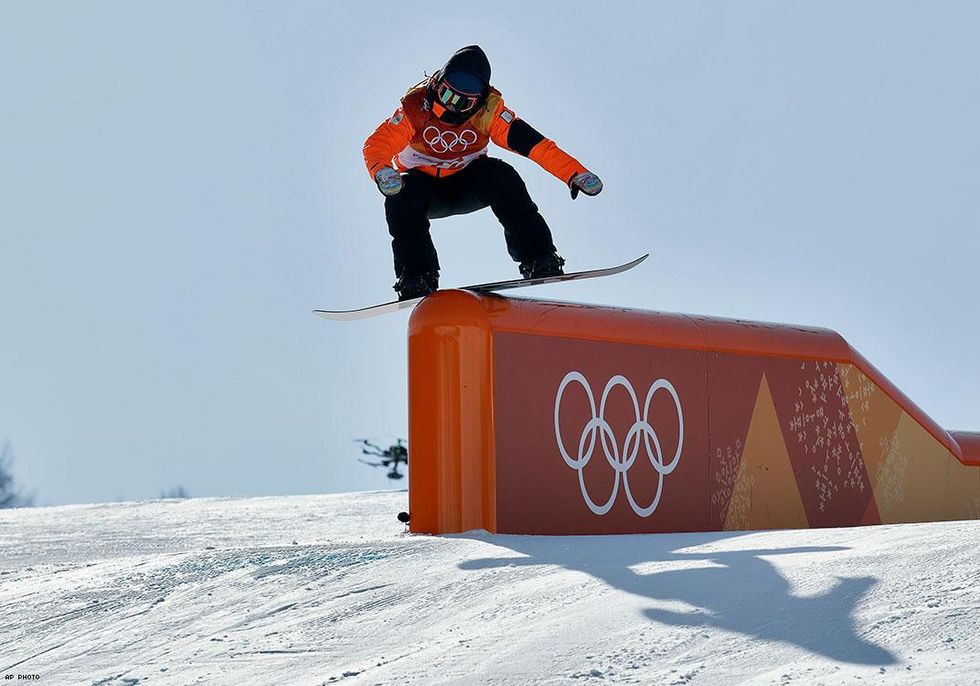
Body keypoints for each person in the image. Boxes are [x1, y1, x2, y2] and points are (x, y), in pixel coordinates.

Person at [363, 45, 604, 300]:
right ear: (436, 84)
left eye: (464, 102)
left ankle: (538, 258)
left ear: (478, 101)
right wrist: (383, 172)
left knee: (501, 174)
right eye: (447, 95)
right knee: (402, 194)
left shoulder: (489, 113)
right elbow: (378, 144)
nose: (453, 107)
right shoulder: (416, 108)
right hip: (424, 190)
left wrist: (574, 173)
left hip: (468, 185)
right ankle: (418, 275)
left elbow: (537, 146)